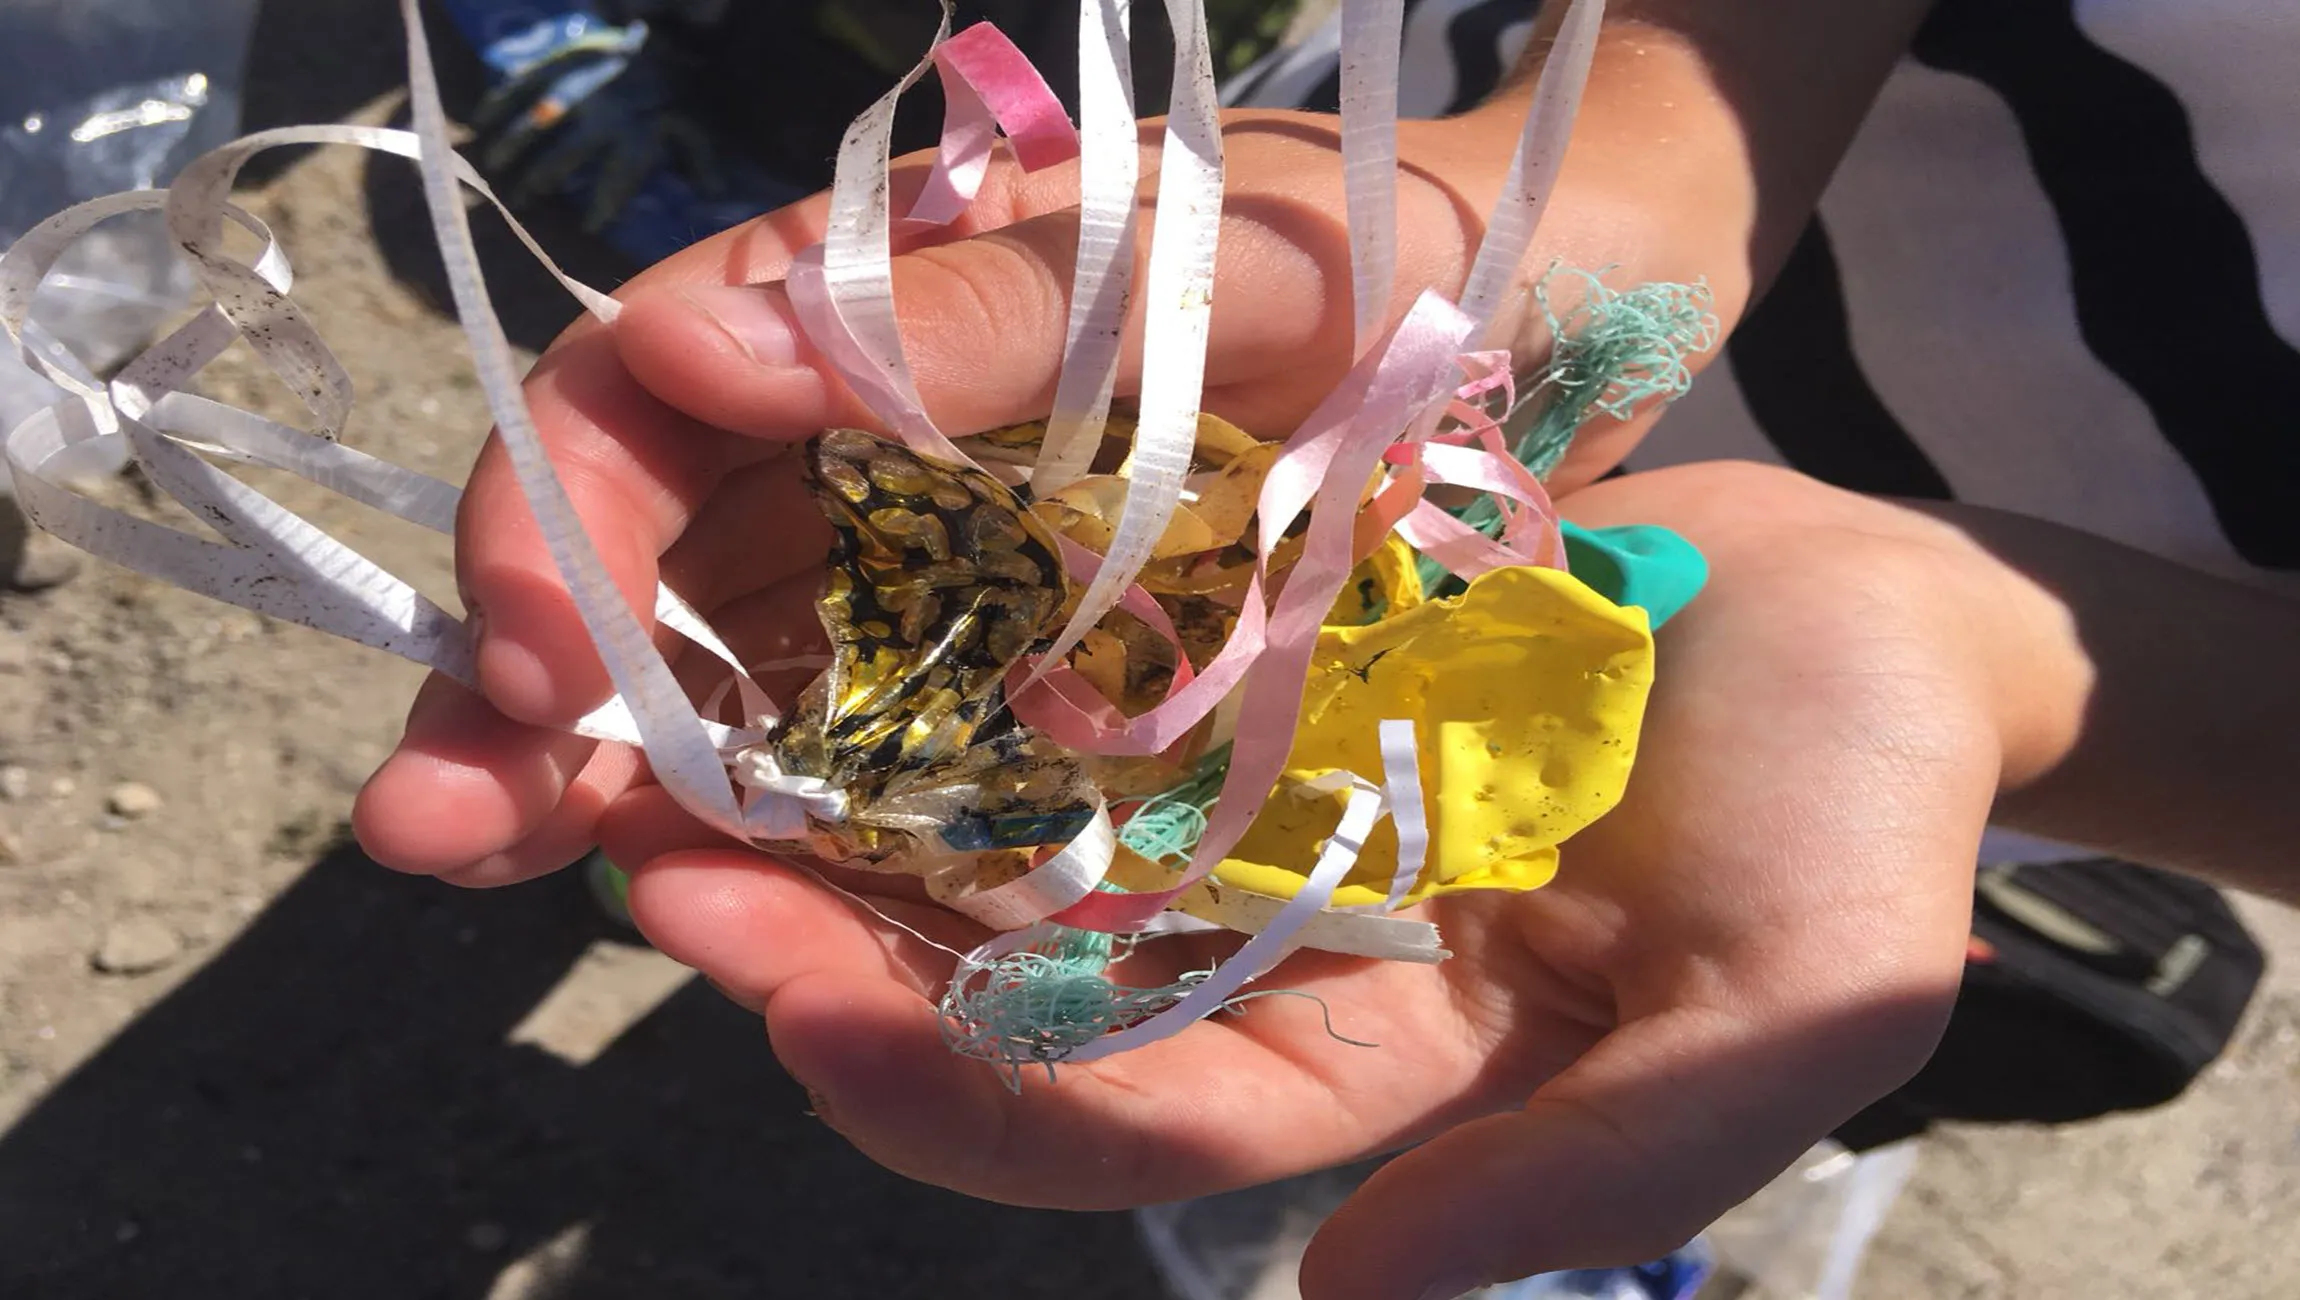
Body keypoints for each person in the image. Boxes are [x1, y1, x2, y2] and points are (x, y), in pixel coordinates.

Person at [355, 1, 2300, 1296]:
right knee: (751, 577)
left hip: (1825, 651)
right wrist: (1632, 154)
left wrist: (1991, 668)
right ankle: (751, 752)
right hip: (1412, 264)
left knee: (764, 749)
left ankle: (768, 775)